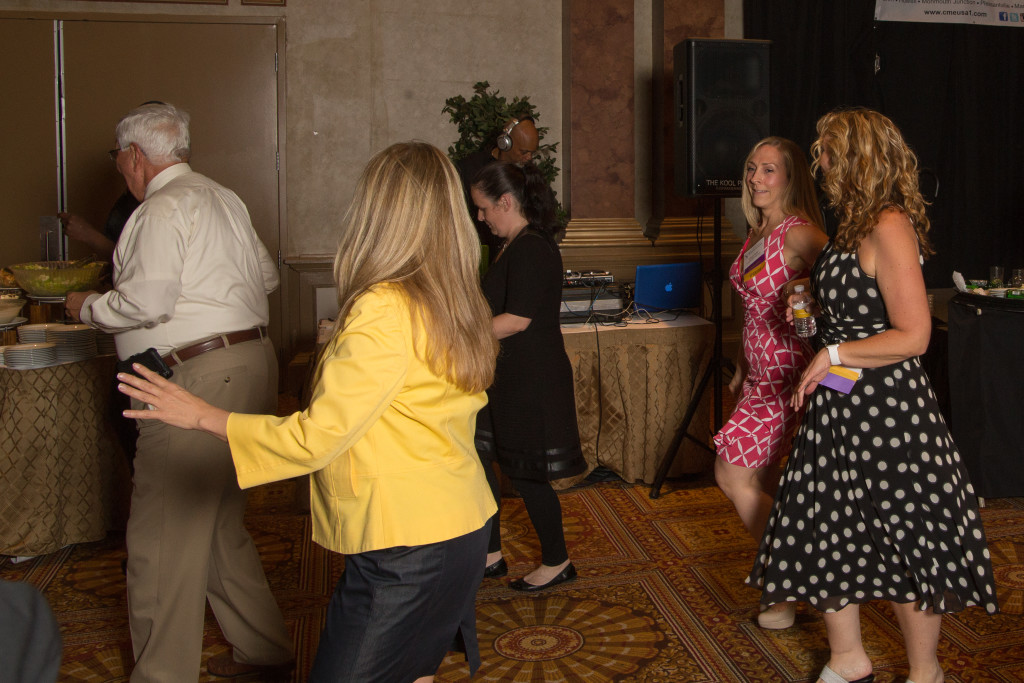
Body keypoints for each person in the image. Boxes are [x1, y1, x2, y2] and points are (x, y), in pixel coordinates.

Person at [115, 141, 500, 683]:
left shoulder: (385, 305)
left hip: (407, 547)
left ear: (377, 213)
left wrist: (203, 415)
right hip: (458, 526)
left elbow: (317, 438)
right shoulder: (454, 296)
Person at [747, 108, 999, 683]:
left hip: (888, 412)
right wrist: (808, 312)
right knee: (827, 528)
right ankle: (848, 657)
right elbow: (850, 321)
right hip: (839, 406)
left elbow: (914, 335)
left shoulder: (888, 224)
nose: (820, 162)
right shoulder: (850, 227)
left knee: (907, 536)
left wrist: (833, 355)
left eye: (828, 152)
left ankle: (924, 671)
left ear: (858, 157)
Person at [65, 102, 293, 682]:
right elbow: (266, 277)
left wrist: (85, 306)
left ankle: (162, 676)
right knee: (215, 521)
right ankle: (264, 649)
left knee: (160, 540)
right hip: (251, 363)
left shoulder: (160, 209)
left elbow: (147, 302)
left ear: (135, 156)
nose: (118, 167)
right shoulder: (224, 197)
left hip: (194, 378)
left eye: (118, 157)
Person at [713, 137, 828, 630]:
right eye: (751, 168)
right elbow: (750, 310)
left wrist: (816, 309)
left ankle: (791, 576)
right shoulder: (759, 230)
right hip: (759, 377)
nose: (756, 178)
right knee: (771, 484)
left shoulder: (801, 234)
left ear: (790, 177)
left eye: (768, 170)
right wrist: (740, 366)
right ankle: (794, 586)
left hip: (791, 377)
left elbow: (845, 288)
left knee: (731, 474)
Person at [470, 161, 586, 591]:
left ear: (506, 202)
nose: (480, 218)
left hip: (530, 379)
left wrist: (454, 335)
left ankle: (557, 560)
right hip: (504, 378)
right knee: (479, 457)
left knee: (526, 474)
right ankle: (490, 553)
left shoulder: (533, 247)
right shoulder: (511, 245)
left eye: (483, 209)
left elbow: (517, 320)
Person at [457, 116, 540, 257]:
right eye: (524, 152)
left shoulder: (528, 175)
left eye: (532, 152)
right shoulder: (469, 168)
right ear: (504, 143)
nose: (529, 158)